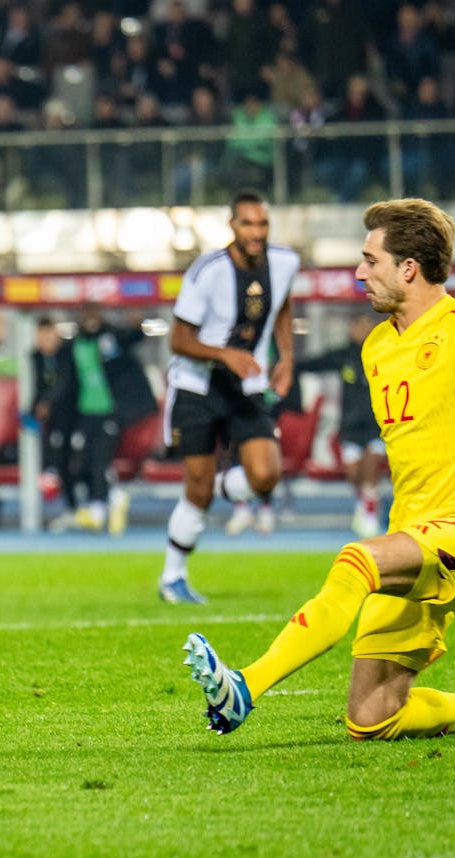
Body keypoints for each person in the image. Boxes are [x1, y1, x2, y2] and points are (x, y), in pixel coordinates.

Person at [183, 198, 455, 741]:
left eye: (370, 260)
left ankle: (244, 687)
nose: (359, 272)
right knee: (372, 720)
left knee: (356, 560)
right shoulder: (377, 347)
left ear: (408, 268)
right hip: (412, 533)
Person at [160, 191, 297, 604]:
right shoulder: (207, 272)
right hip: (196, 387)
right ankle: (173, 577)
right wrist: (225, 354)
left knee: (266, 475)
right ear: (232, 226)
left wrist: (286, 357)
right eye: (248, 224)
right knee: (195, 490)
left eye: (262, 224)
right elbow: (179, 339)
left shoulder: (285, 263)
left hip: (247, 387)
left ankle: (223, 485)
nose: (256, 233)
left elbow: (284, 306)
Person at [45, 301, 156, 534]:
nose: (90, 318)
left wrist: (138, 324)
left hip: (112, 410)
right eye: (86, 314)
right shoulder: (73, 345)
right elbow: (65, 381)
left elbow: (133, 336)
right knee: (80, 458)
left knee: (99, 458)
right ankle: (108, 499)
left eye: (94, 313)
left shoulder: (111, 337)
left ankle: (99, 507)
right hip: (86, 411)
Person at [299, 313, 386, 537]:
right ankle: (364, 503)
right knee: (354, 474)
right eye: (360, 326)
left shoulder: (384, 354)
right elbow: (315, 363)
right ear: (351, 330)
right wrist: (287, 365)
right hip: (350, 425)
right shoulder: (344, 356)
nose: (363, 331)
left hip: (377, 424)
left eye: (368, 326)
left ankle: (370, 514)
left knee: (370, 468)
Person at [31, 315, 76, 514]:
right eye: (41, 337)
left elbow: (65, 384)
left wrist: (47, 402)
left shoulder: (67, 355)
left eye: (49, 337)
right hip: (46, 423)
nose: (45, 342)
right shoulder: (35, 358)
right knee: (44, 454)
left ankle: (73, 506)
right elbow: (33, 388)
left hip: (71, 417)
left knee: (68, 459)